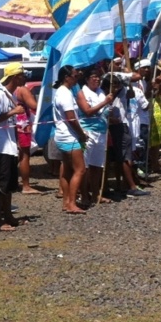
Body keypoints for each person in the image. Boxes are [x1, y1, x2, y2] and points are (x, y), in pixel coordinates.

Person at [0, 66, 27, 231]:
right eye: (22, 76)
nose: (24, 79)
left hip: (9, 145)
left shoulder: (9, 96)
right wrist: (13, 112)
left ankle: (8, 215)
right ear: (15, 77)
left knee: (9, 184)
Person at [52, 65, 88, 214]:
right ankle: (72, 202)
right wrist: (81, 133)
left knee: (67, 170)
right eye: (75, 76)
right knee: (80, 169)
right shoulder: (65, 93)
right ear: (66, 77)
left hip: (62, 135)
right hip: (69, 136)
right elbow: (71, 118)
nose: (76, 78)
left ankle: (67, 202)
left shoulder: (61, 92)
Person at [76, 67, 114, 205]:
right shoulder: (82, 93)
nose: (96, 79)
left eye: (98, 76)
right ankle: (84, 195)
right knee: (84, 166)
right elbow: (87, 111)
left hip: (101, 132)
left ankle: (96, 194)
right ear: (87, 79)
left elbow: (104, 111)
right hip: (88, 132)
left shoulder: (101, 92)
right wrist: (105, 103)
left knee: (97, 164)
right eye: (93, 77)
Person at [2, 64, 39, 194]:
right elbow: (34, 105)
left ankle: (15, 181)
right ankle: (26, 185)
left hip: (14, 124)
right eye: (24, 75)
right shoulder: (22, 90)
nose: (26, 77)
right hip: (23, 125)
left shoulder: (8, 91)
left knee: (17, 154)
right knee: (24, 155)